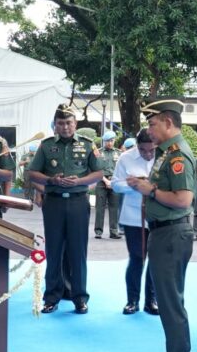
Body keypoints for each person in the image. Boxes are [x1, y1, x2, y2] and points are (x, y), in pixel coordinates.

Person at [129, 99, 197, 352]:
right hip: (163, 233)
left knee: (171, 305)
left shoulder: (178, 155)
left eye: (153, 123)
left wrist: (151, 190)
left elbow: (183, 199)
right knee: (170, 304)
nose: (149, 129)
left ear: (168, 123)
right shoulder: (166, 153)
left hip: (172, 234)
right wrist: (149, 185)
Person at [26, 105, 104, 314]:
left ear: (75, 124)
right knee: (54, 250)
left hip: (78, 202)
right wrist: (51, 180)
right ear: (55, 125)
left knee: (78, 251)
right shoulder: (46, 146)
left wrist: (80, 181)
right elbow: (33, 172)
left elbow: (98, 173)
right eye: (61, 123)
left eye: (69, 123)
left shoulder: (87, 144)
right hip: (54, 203)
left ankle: (80, 298)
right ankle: (52, 297)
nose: (65, 127)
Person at [112, 128, 159, 315]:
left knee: (155, 259)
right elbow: (115, 184)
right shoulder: (126, 158)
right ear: (137, 146)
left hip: (158, 216)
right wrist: (134, 185)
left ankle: (151, 300)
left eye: (151, 150)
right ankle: (132, 300)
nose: (148, 154)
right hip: (133, 217)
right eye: (143, 150)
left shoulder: (164, 157)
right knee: (137, 258)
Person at [94, 130, 123, 239]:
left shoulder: (119, 153)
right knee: (100, 207)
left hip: (114, 182)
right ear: (104, 141)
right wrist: (106, 181)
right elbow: (96, 169)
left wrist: (113, 181)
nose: (109, 143)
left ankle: (114, 231)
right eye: (107, 141)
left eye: (111, 140)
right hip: (101, 181)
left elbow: (121, 170)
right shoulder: (98, 153)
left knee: (114, 207)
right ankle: (98, 231)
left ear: (114, 140)